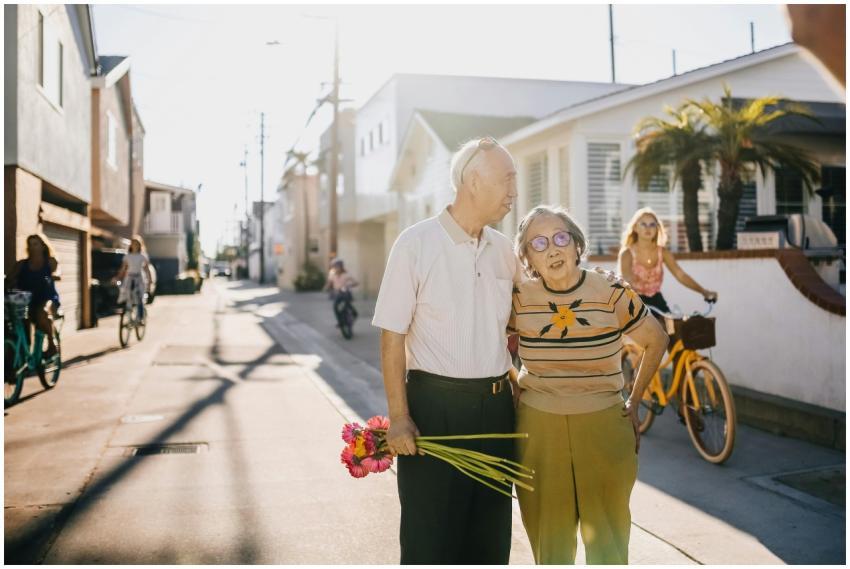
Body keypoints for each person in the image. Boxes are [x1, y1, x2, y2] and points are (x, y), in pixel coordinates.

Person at [372, 137, 522, 564]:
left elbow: (517, 324)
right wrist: (399, 417)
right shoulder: (415, 243)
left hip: (496, 411)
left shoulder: (504, 250)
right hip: (433, 412)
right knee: (430, 540)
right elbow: (391, 337)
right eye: (507, 179)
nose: (514, 191)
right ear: (473, 181)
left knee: (490, 540)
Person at [509, 205, 669, 564]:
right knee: (550, 545)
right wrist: (513, 382)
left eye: (561, 238)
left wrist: (636, 399)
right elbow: (489, 344)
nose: (552, 249)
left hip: (603, 426)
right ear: (528, 258)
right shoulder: (518, 298)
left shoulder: (611, 290)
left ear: (576, 245)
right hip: (538, 430)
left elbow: (656, 339)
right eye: (538, 243)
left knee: (609, 544)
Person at [617, 207, 717, 317]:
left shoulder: (662, 252)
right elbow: (626, 280)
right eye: (643, 224)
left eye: (652, 224)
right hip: (634, 301)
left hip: (656, 300)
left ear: (657, 228)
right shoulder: (627, 253)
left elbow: (681, 275)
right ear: (635, 228)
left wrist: (704, 292)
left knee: (670, 330)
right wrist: (630, 282)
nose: (648, 228)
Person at [5, 234, 62, 358]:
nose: (32, 247)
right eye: (30, 244)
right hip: (25, 300)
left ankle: (52, 345)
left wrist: (54, 275)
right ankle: (20, 356)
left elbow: (57, 272)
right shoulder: (22, 264)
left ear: (43, 246)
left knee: (42, 312)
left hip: (46, 297)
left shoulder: (50, 262)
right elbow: (9, 278)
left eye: (35, 244)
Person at [114, 236, 152, 321]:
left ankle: (140, 317)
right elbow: (123, 269)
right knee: (127, 295)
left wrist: (150, 281)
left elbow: (147, 269)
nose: (135, 245)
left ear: (140, 245)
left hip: (139, 278)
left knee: (139, 297)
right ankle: (129, 314)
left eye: (137, 244)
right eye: (133, 244)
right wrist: (117, 277)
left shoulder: (142, 256)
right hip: (129, 278)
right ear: (130, 245)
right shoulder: (127, 256)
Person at [324, 258, 359, 327]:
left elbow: (355, 282)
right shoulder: (332, 274)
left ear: (341, 266)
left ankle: (353, 315)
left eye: (338, 266)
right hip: (338, 293)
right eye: (335, 266)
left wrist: (352, 284)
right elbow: (329, 283)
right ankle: (340, 322)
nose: (337, 268)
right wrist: (326, 287)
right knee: (335, 307)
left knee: (348, 304)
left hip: (346, 292)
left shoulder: (346, 274)